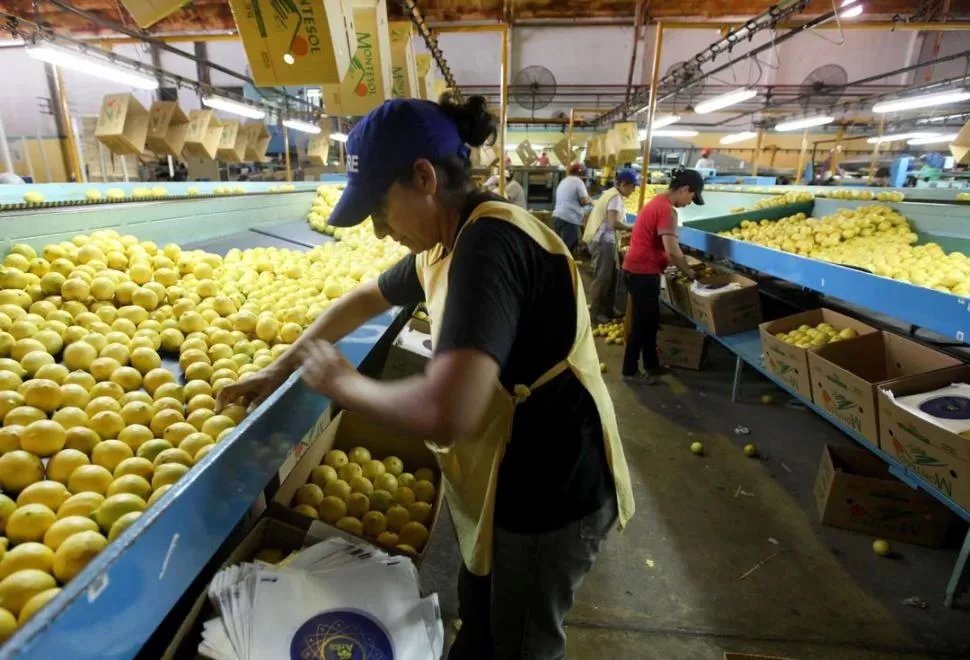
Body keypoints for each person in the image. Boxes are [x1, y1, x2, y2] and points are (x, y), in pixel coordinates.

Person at [217, 96, 634, 660]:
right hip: (505, 479)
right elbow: (363, 298)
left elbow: (448, 410)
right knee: (481, 619)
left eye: (380, 211)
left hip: (551, 490)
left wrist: (344, 385)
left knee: (521, 642)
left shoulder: (490, 245)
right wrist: (282, 363)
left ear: (423, 178)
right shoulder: (443, 245)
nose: (381, 231)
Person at [621, 168, 704, 381]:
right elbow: (673, 250)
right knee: (641, 324)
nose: (688, 203)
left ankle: (651, 365)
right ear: (685, 189)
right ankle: (629, 371)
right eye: (691, 198)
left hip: (636, 270)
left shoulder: (657, 202)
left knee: (649, 321)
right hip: (643, 273)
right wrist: (690, 273)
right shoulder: (667, 210)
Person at [582, 168, 638, 324]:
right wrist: (632, 227)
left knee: (609, 278)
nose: (634, 190)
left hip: (603, 241)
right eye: (633, 186)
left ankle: (606, 311)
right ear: (624, 184)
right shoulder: (615, 198)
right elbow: (613, 223)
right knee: (602, 278)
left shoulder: (610, 193)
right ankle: (596, 314)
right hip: (603, 242)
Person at [552, 163, 593, 253]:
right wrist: (592, 201)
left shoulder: (564, 181)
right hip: (569, 219)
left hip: (557, 216)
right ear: (581, 173)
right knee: (567, 249)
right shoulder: (578, 182)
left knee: (558, 247)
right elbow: (584, 201)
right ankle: (565, 266)